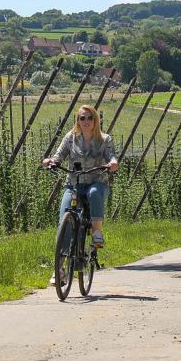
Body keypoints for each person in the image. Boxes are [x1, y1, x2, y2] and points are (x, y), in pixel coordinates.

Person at [42, 104, 118, 284]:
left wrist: (113, 163)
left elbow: (112, 156)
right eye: (82, 118)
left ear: (95, 120)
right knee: (65, 223)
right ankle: (59, 270)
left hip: (97, 182)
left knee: (93, 193)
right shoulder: (71, 138)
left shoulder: (104, 139)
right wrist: (50, 161)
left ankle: (97, 232)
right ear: (77, 120)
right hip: (74, 184)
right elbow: (58, 155)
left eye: (89, 117)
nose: (86, 121)